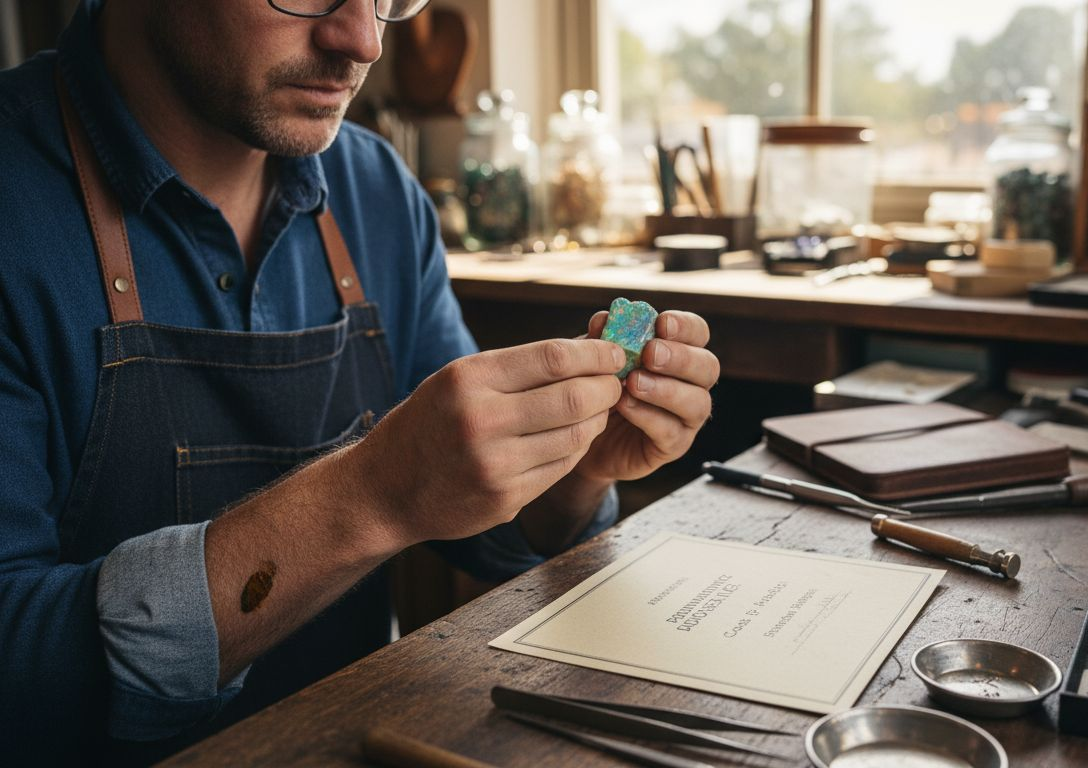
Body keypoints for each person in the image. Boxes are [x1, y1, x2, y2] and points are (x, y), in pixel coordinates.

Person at [0, 0, 719, 763]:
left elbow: (488, 536)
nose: (364, 40)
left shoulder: (376, 189)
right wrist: (373, 494)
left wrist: (573, 466)